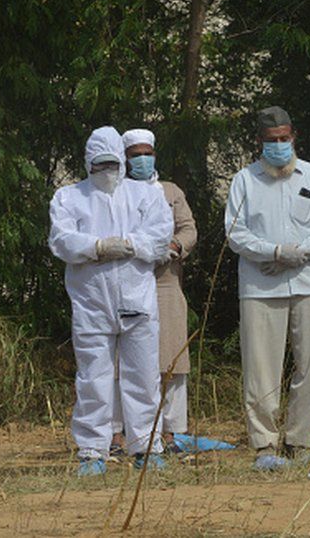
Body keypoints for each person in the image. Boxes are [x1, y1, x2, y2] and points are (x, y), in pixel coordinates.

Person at [49, 126, 173, 476]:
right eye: (99, 164)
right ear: (88, 162)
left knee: (144, 377)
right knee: (93, 378)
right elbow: (62, 240)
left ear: (122, 159)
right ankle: (91, 450)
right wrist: (98, 248)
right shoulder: (69, 197)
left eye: (112, 163)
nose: (106, 171)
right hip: (91, 304)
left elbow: (160, 237)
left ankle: (147, 447)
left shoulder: (145, 195)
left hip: (138, 300)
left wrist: (128, 244)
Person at [225, 106, 310, 471]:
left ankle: (302, 440)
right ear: (260, 142)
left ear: (294, 137)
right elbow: (235, 232)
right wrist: (272, 252)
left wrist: (298, 254)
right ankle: (264, 444)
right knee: (261, 368)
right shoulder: (244, 180)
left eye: (284, 139)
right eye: (272, 141)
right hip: (261, 285)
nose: (279, 146)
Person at [114, 128, 198, 451]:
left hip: (166, 280)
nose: (143, 160)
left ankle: (170, 433)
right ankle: (120, 434)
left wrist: (175, 245)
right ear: (125, 158)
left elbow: (188, 228)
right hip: (129, 280)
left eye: (148, 153)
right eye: (136, 154)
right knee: (125, 362)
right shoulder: (116, 192)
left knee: (171, 357)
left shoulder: (170, 191)